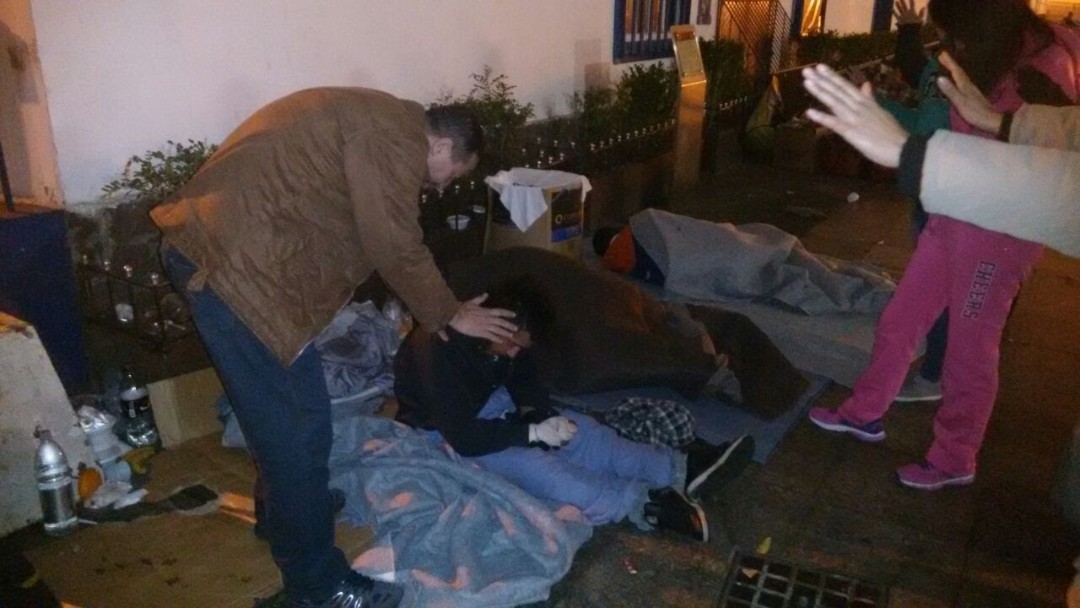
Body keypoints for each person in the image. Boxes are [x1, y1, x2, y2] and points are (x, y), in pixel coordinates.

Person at [151, 88, 520, 608]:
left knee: (281, 418)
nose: (442, 186)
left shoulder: (376, 120)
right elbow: (393, 242)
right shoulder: (395, 136)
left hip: (233, 258)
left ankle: (288, 515)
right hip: (238, 273)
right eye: (452, 174)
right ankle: (318, 586)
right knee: (300, 428)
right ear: (440, 146)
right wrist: (448, 312)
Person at [806, 0, 1079, 491]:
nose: (952, 44)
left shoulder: (1045, 70)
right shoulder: (991, 55)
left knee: (969, 350)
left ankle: (955, 457)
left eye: (955, 33)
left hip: (998, 235)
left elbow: (1048, 169)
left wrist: (908, 140)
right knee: (900, 320)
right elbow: (940, 114)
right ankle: (864, 412)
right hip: (951, 212)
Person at [393, 278, 756, 543]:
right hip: (442, 432)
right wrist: (530, 434)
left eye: (522, 346)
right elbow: (465, 437)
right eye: (513, 345)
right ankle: (642, 504)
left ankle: (677, 469)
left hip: (489, 400)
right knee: (539, 469)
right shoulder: (438, 351)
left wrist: (540, 415)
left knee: (583, 433)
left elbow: (525, 379)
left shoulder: (505, 337)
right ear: (496, 327)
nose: (516, 352)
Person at [801, 57, 1080, 258]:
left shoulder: (1008, 70)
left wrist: (917, 157)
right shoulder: (944, 68)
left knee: (968, 305)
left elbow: (1067, 198)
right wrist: (1003, 122)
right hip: (945, 191)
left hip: (973, 207)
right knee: (922, 286)